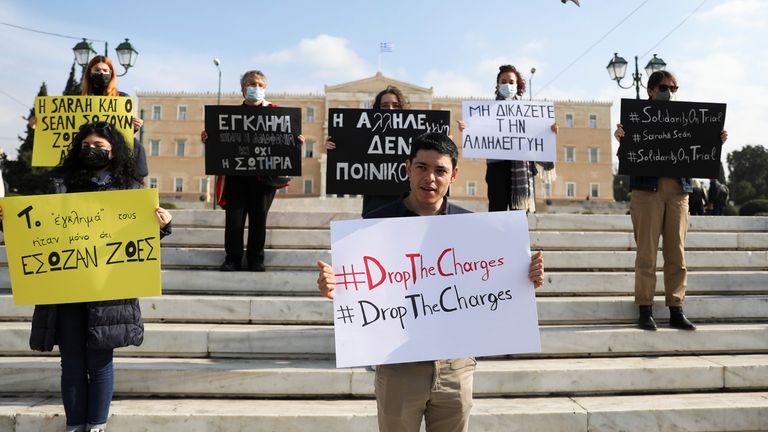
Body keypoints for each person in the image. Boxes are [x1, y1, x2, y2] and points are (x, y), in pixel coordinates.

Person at [316, 132, 545, 432]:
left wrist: (525, 276)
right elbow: (360, 285)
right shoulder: (375, 225)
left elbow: (492, 285)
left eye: (440, 170)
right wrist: (334, 285)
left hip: (455, 368)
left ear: (454, 175)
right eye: (422, 167)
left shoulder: (474, 229)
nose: (430, 178)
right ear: (408, 167)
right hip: (399, 366)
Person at [0, 121, 173, 432]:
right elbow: (37, 231)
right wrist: (9, 223)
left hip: (109, 288)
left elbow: (138, 241)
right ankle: (75, 424)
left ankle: (96, 424)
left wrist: (162, 226)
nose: (92, 152)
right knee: (72, 363)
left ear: (114, 152)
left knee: (100, 361)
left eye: (100, 148)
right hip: (66, 287)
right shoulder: (59, 183)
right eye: (86, 146)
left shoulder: (131, 188)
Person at [614, 70, 728, 331]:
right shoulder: (635, 118)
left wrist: (716, 139)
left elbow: (703, 152)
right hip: (646, 191)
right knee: (646, 252)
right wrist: (622, 139)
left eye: (674, 88)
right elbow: (626, 158)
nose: (670, 92)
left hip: (679, 190)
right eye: (665, 87)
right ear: (651, 90)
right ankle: (645, 308)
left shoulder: (688, 117)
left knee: (677, 252)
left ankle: (676, 307)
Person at [201, 70, 305, 271]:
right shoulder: (227, 118)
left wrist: (297, 142)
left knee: (259, 218)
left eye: (259, 84)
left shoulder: (278, 115)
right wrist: (209, 138)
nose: (255, 88)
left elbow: (286, 142)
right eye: (251, 84)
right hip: (237, 176)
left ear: (265, 89)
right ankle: (232, 259)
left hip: (265, 177)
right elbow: (221, 144)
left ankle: (256, 259)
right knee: (235, 219)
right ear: (242, 89)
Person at [458, 64, 557, 212]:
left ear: (517, 86)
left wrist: (550, 131)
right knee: (497, 212)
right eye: (503, 82)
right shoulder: (484, 111)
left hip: (521, 169)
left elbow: (537, 137)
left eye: (511, 82)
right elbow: (478, 134)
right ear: (497, 85)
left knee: (520, 216)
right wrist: (467, 129)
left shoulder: (530, 112)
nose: (507, 85)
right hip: (497, 168)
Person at [326, 85, 410, 216]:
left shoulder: (414, 133)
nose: (390, 109)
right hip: (375, 204)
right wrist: (334, 148)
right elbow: (350, 154)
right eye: (385, 105)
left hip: (405, 203)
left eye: (396, 105)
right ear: (377, 109)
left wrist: (443, 144)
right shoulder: (363, 133)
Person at [81, 56, 148, 179]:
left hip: (117, 154)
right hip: (89, 155)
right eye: (97, 70)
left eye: (105, 71)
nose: (101, 73)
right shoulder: (78, 101)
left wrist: (133, 128)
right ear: (90, 72)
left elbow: (124, 129)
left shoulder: (122, 98)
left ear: (111, 74)